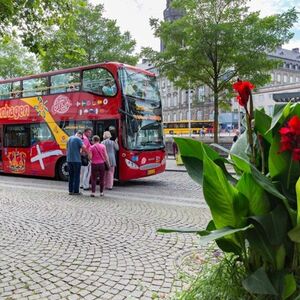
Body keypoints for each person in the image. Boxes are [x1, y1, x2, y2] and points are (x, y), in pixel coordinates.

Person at [67, 131, 87, 195]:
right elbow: (84, 147)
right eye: (82, 137)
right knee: (77, 176)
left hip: (69, 160)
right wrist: (84, 153)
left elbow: (67, 148)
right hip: (76, 160)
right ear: (80, 135)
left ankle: (70, 190)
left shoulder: (69, 138)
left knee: (71, 176)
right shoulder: (78, 139)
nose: (82, 139)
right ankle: (76, 191)